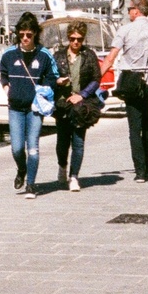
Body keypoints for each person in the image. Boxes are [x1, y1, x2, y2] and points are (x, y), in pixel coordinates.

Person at [101, 0, 148, 183]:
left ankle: (140, 170)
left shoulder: (124, 31)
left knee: (134, 127)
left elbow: (110, 59)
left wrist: (95, 79)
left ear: (136, 10)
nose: (128, 13)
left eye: (129, 9)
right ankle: (147, 160)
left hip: (132, 83)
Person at [0, 12, 59, 198]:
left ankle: (31, 184)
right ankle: (21, 169)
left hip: (34, 109)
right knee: (17, 148)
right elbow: (3, 72)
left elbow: (53, 76)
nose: (25, 38)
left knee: (33, 146)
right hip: (15, 108)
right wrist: (6, 87)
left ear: (35, 34)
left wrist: (46, 89)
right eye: (21, 34)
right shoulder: (9, 54)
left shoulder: (44, 55)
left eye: (29, 35)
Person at [52, 20, 103, 191]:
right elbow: (49, 78)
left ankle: (74, 176)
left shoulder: (89, 55)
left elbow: (96, 79)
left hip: (82, 104)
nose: (76, 42)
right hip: (62, 103)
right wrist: (59, 82)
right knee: (62, 140)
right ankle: (62, 166)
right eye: (73, 39)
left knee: (79, 141)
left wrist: (82, 95)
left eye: (79, 39)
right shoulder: (58, 56)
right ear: (68, 38)